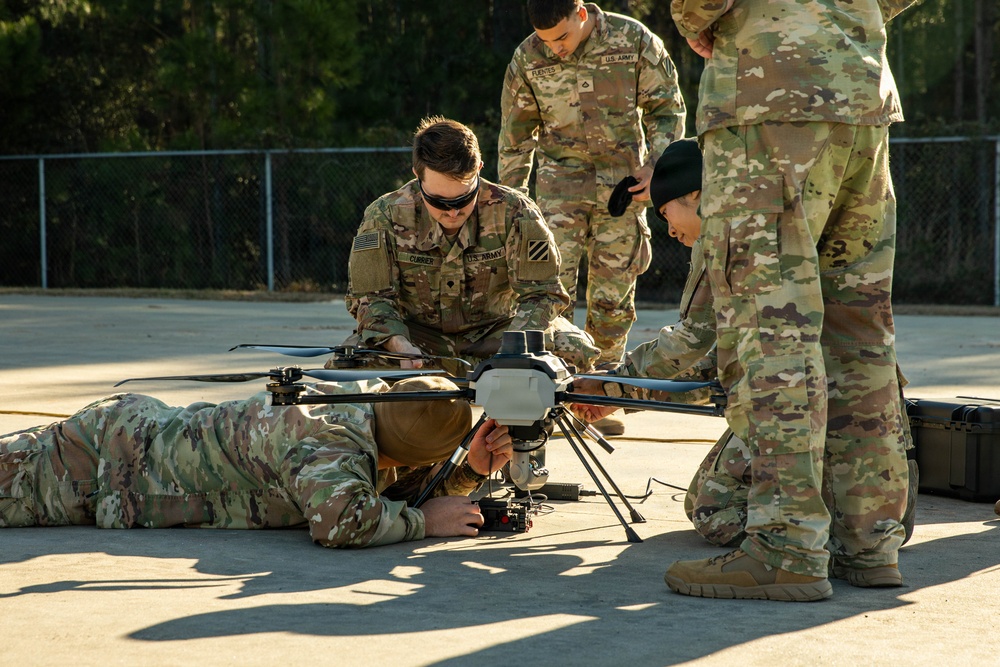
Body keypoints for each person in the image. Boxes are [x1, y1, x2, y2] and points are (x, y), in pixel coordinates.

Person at [660, 0, 918, 601]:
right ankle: (869, 539)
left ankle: (787, 545)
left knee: (774, 329)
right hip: (861, 96)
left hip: (767, 97)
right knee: (860, 334)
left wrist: (700, 22)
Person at [574, 139, 919, 555]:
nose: (668, 228)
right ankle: (859, 525)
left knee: (713, 512)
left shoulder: (727, 234)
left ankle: (807, 539)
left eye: (666, 211)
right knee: (712, 497)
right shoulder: (771, 215)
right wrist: (619, 392)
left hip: (801, 396)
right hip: (859, 408)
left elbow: (692, 340)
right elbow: (718, 359)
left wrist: (612, 385)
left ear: (697, 194)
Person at [0, 376, 515, 548]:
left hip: (126, 438)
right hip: (93, 468)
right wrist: (424, 522)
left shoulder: (365, 404)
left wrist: (467, 472)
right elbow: (339, 522)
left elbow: (378, 479)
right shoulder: (329, 443)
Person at [498, 0, 687, 377]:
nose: (556, 48)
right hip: (557, 196)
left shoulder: (632, 39)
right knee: (550, 296)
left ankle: (601, 392)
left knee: (613, 300)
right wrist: (511, 208)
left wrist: (656, 167)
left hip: (624, 190)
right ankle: (557, 388)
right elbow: (515, 139)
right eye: (546, 40)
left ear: (581, 13)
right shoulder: (527, 57)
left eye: (562, 37)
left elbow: (667, 110)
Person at [340, 115, 600, 382]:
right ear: (417, 174)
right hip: (417, 341)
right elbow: (371, 299)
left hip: (498, 336)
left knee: (574, 352)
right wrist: (399, 346)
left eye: (464, 198)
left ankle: (575, 414)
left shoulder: (516, 212)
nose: (452, 212)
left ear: (479, 168)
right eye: (438, 201)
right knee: (349, 366)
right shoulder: (383, 216)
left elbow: (543, 294)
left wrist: (515, 351)